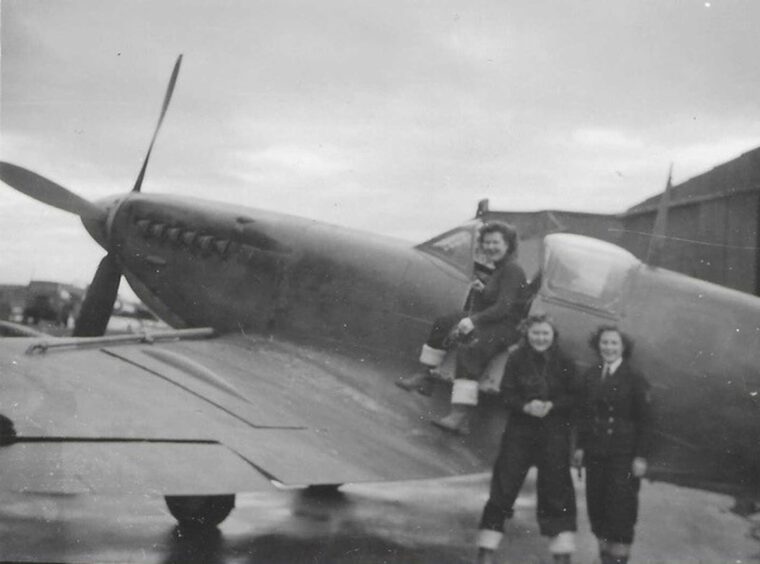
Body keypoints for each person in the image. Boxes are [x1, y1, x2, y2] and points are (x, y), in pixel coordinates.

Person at [396, 221, 528, 435]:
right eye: (487, 242)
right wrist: (484, 290)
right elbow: (496, 299)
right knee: (443, 323)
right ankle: (427, 376)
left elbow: (504, 307)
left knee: (472, 347)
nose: (491, 247)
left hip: (506, 326)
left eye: (496, 242)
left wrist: (473, 321)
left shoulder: (512, 269)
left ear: (508, 244)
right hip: (494, 319)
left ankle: (460, 413)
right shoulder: (501, 267)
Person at [476, 314, 579, 564]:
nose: (540, 338)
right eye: (535, 333)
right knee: (503, 486)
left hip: (554, 433)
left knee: (557, 491)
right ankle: (486, 551)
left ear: (553, 335)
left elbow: (575, 397)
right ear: (527, 334)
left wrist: (551, 405)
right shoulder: (516, 358)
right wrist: (525, 406)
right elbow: (506, 394)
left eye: (545, 333)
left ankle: (562, 555)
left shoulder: (565, 361)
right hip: (520, 432)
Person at [573, 326, 653, 564]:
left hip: (623, 455)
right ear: (598, 346)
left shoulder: (635, 377)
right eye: (605, 343)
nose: (608, 347)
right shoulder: (591, 374)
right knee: (597, 508)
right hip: (596, 453)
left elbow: (646, 421)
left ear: (623, 348)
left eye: (614, 343)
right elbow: (585, 415)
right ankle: (604, 559)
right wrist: (580, 447)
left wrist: (640, 456)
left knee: (621, 512)